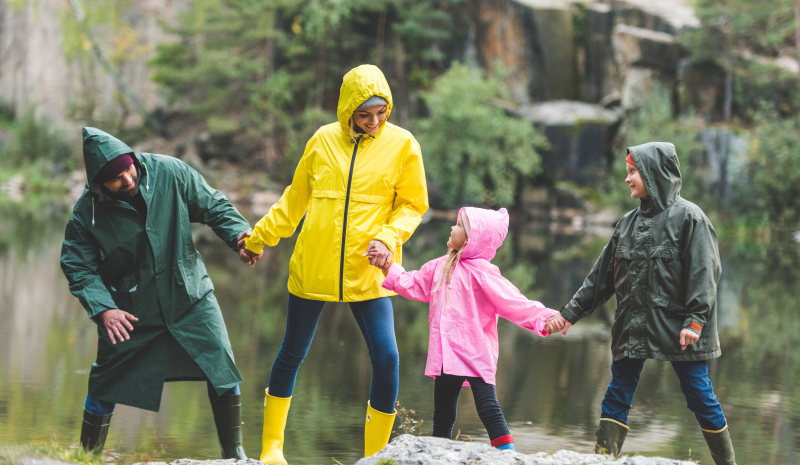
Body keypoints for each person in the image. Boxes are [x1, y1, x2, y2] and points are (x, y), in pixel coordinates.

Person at [239, 64, 428, 462]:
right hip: (314, 266)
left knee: (388, 356)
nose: (374, 121)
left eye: (381, 112)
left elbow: (413, 206)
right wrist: (258, 240)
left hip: (369, 270)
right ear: (347, 111)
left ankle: (377, 456)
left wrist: (388, 238)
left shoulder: (403, 145)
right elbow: (294, 202)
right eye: (364, 114)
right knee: (292, 352)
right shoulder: (323, 140)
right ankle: (272, 449)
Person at [61, 128, 252, 459]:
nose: (127, 179)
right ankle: (86, 458)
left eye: (128, 169)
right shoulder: (86, 214)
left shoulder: (170, 172)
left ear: (133, 159)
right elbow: (78, 267)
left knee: (221, 366)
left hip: (190, 298)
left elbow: (213, 205)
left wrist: (239, 234)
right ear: (98, 184)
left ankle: (235, 456)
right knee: (105, 382)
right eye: (116, 179)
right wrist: (104, 309)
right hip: (130, 312)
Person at [546, 143, 736, 465]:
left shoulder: (691, 218)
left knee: (700, 396)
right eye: (627, 172)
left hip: (681, 329)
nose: (627, 179)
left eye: (633, 172)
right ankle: (604, 460)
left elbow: (705, 273)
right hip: (632, 325)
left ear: (653, 173)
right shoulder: (626, 224)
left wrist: (695, 321)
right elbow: (600, 279)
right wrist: (567, 315)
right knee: (618, 391)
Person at [371, 207, 558, 451]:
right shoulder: (440, 266)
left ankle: (508, 456)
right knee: (443, 415)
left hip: (475, 354)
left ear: (471, 240)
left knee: (489, 409)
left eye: (458, 225)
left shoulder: (484, 272)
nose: (452, 228)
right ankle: (438, 454)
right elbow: (413, 282)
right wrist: (387, 265)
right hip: (446, 356)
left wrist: (545, 318)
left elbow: (514, 302)